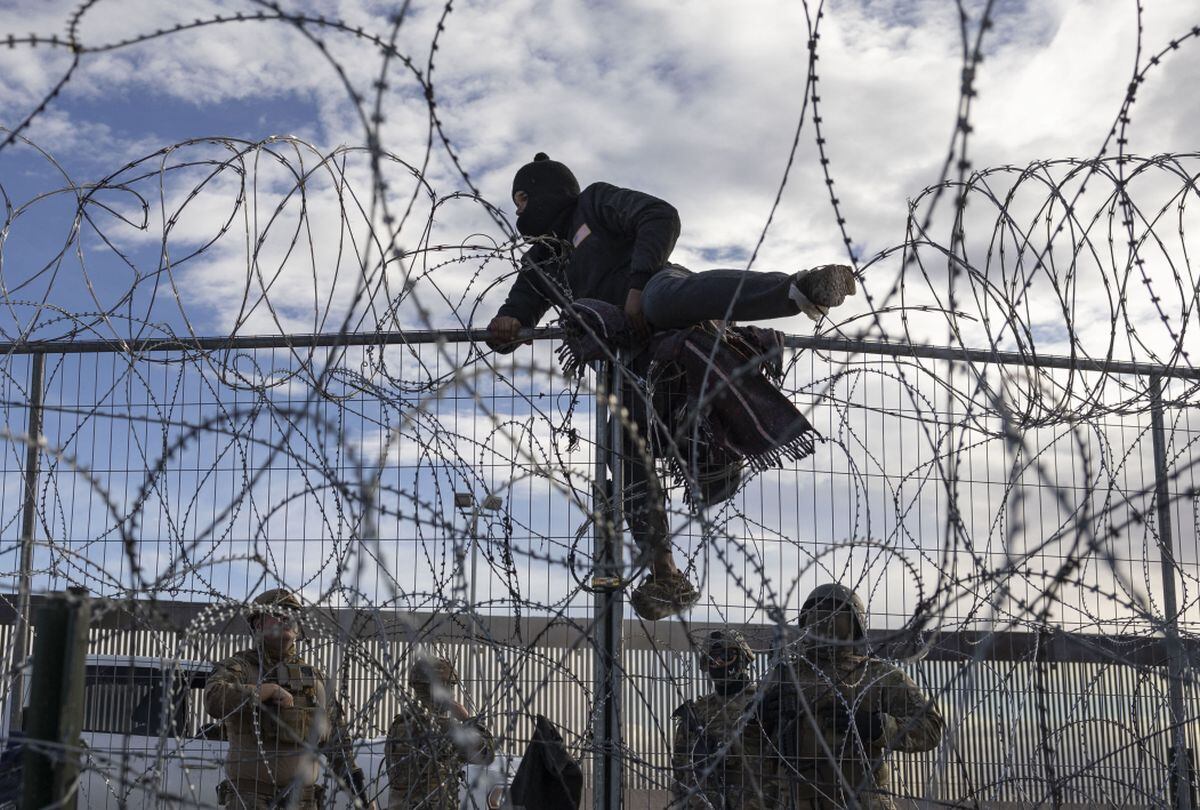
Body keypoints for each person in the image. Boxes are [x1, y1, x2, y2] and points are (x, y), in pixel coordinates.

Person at [485, 154, 857, 620]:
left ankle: (799, 290)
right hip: (633, 363)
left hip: (661, 292)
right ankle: (666, 575)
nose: (518, 212)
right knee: (624, 450)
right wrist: (505, 324)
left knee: (662, 300)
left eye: (522, 199)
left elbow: (660, 216)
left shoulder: (594, 204)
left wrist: (638, 286)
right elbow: (518, 309)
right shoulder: (543, 260)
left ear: (544, 192)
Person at [759, 584, 943, 809]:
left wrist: (875, 726)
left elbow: (930, 728)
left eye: (835, 613)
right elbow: (747, 746)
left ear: (854, 623)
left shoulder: (877, 675)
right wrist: (760, 718)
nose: (825, 622)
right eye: (818, 612)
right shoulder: (783, 677)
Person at [204, 588, 375, 809]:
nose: (286, 617)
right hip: (251, 800)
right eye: (277, 611)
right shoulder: (241, 667)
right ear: (257, 623)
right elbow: (214, 698)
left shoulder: (314, 678)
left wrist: (362, 798)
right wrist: (265, 691)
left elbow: (339, 745)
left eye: (292, 613)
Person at [672, 629, 780, 809]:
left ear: (743, 657)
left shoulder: (762, 704)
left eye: (726, 656)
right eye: (713, 657)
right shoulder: (697, 713)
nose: (719, 662)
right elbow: (680, 771)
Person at [384, 655, 495, 810]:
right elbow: (487, 754)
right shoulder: (444, 729)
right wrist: (469, 720)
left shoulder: (398, 726)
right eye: (450, 687)